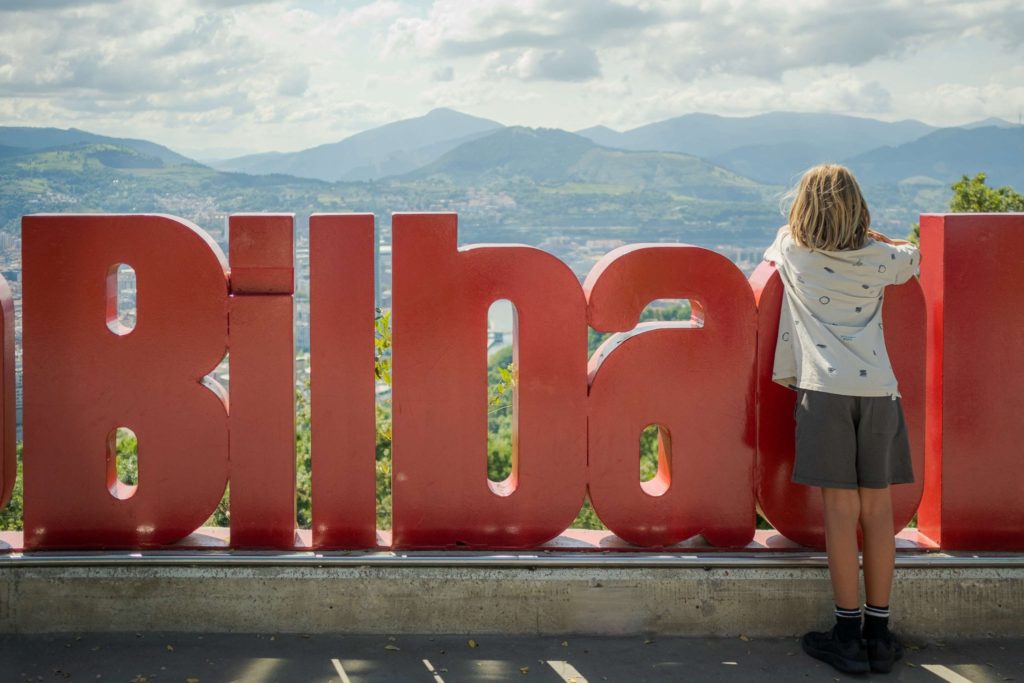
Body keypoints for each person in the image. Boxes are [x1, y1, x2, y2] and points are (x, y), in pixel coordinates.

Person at [763, 164, 919, 674]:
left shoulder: (794, 251)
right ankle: (880, 633)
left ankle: (846, 635)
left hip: (824, 393)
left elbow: (784, 233)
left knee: (839, 515)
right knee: (879, 515)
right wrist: (878, 239)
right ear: (859, 209)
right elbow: (912, 258)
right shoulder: (881, 260)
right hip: (879, 393)